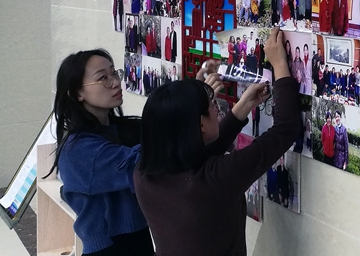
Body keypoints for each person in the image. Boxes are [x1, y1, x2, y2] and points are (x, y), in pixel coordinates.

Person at [134, 30, 299, 256]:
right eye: (212, 105)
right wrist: (279, 65)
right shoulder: (215, 179)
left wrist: (241, 108)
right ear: (200, 125)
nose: (217, 109)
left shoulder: (144, 174)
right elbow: (286, 129)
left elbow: (197, 156)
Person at [49, 49, 153, 256]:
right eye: (103, 78)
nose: (115, 83)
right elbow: (144, 161)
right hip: (110, 248)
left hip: (138, 238)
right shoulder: (79, 149)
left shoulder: (122, 129)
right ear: (77, 93)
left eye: (114, 73)